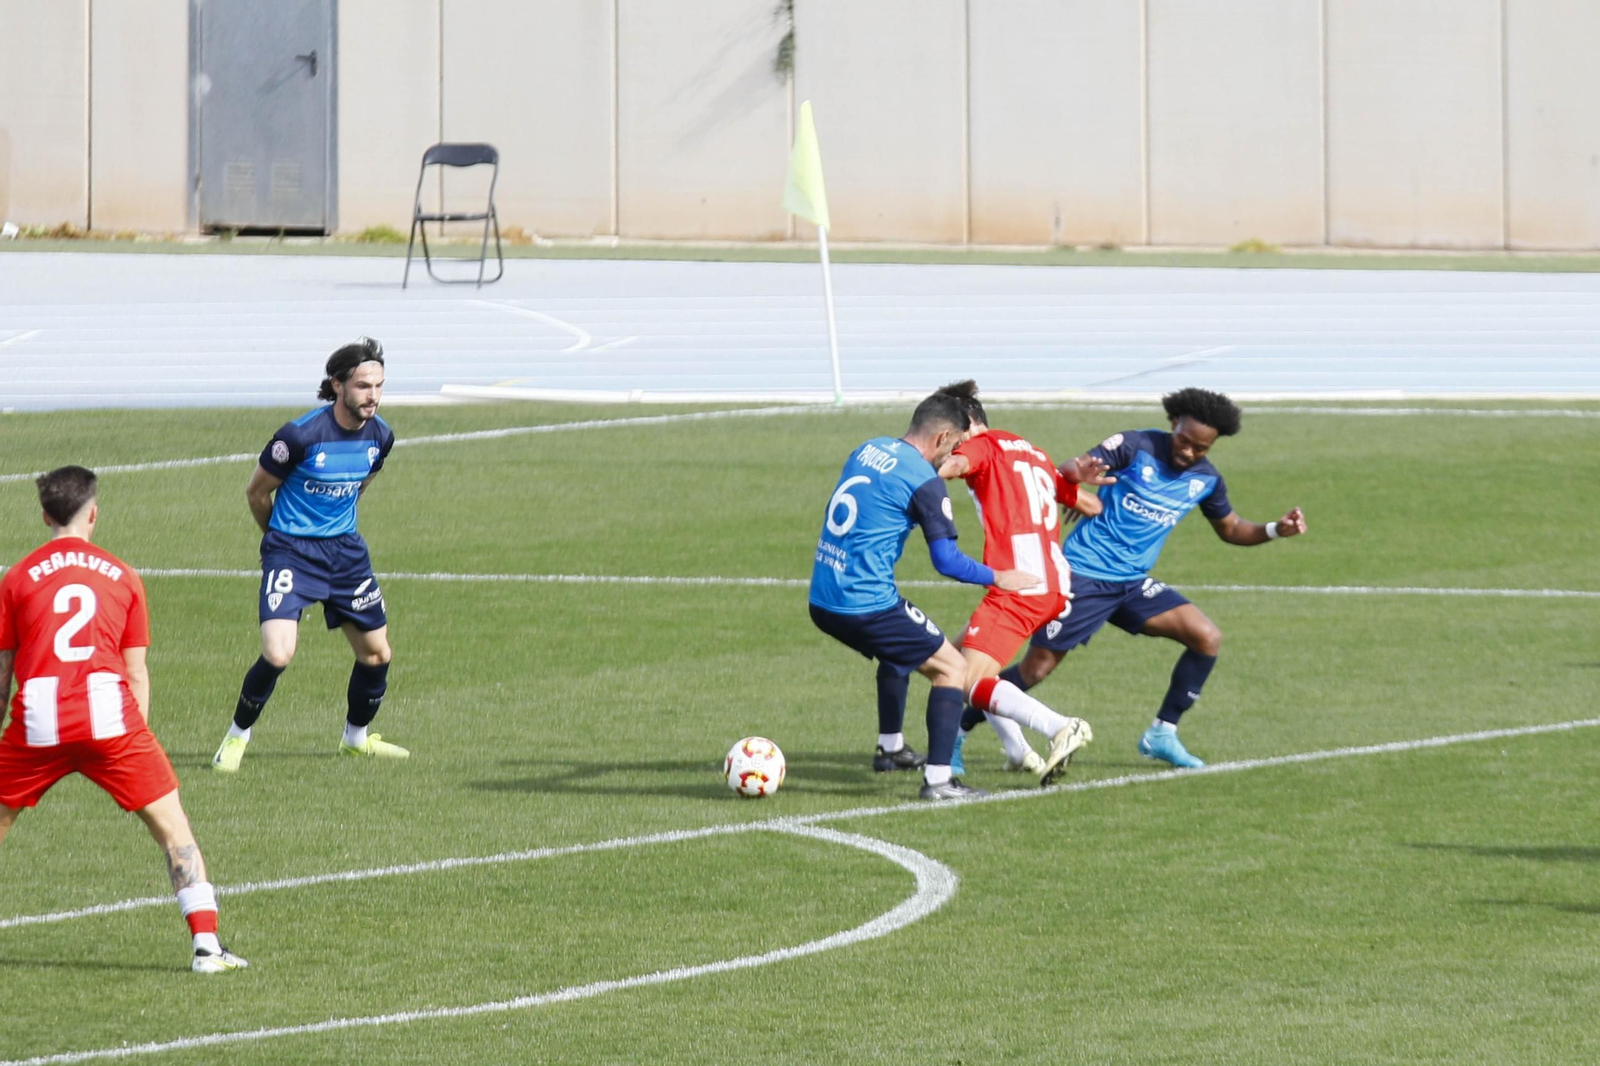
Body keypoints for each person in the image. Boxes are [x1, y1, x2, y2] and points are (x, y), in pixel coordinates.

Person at [0, 466, 247, 973]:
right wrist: (137, 745)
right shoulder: (123, 574)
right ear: (94, 513)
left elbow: (2, 672)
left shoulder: (17, 578)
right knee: (173, 830)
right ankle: (205, 948)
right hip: (112, 722)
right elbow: (136, 673)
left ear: (45, 515)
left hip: (37, 722)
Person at [1004, 388, 1307, 768]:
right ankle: (958, 733)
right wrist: (1074, 483)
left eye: (1201, 449)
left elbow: (1230, 528)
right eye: (1184, 441)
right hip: (1083, 576)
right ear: (1173, 423)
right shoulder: (1134, 445)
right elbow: (1073, 466)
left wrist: (1276, 529)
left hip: (1130, 584)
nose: (1189, 453)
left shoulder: (1206, 480)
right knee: (1036, 669)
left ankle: (1162, 733)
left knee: (1206, 637)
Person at [809, 389, 1039, 800]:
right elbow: (946, 561)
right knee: (952, 669)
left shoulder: (869, 448)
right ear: (942, 438)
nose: (951, 458)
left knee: (902, 650)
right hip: (864, 604)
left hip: (824, 596)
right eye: (954, 447)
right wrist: (997, 577)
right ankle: (939, 781)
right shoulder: (925, 482)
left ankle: (891, 748)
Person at [212, 337, 407, 772]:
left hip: (345, 554)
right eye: (362, 386)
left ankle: (355, 740)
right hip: (292, 553)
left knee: (377, 654)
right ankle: (236, 736)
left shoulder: (382, 436)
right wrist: (278, 541)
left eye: (378, 386)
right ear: (337, 385)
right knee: (278, 653)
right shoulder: (299, 436)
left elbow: (359, 486)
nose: (372, 395)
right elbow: (257, 492)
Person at [932, 381, 1103, 786]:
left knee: (963, 679)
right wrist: (1074, 480)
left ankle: (1061, 727)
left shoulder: (981, 445)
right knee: (942, 661)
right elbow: (1091, 505)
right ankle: (1016, 749)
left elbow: (950, 467)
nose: (948, 444)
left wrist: (920, 472)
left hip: (1019, 585)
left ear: (968, 424)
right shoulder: (1034, 452)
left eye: (950, 434)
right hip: (1051, 580)